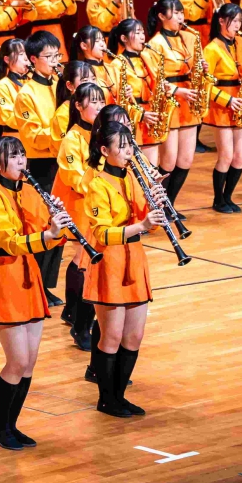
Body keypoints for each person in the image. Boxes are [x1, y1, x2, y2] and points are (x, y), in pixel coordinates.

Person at [0, 136, 71, 450]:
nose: (21, 161)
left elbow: (49, 237)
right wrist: (48, 234)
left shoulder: (30, 191)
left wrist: (57, 224)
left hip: (30, 274)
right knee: (16, 361)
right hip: (6, 275)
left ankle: (12, 426)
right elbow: (10, 242)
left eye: (22, 154)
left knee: (29, 362)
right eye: (13, 156)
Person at [83, 121, 167, 418]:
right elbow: (102, 233)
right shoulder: (97, 185)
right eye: (121, 147)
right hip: (110, 262)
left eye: (130, 145)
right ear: (105, 151)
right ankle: (106, 399)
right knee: (112, 336)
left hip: (135, 258)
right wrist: (141, 225)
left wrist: (155, 211)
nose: (128, 151)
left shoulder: (134, 177)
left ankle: (119, 396)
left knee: (134, 336)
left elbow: (149, 225)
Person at [142, 0, 208, 210]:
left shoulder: (190, 37)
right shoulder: (154, 44)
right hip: (169, 103)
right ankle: (160, 206)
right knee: (168, 162)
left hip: (189, 102)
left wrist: (202, 69)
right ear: (162, 16)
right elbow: (154, 80)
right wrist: (178, 91)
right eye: (176, 13)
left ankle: (171, 204)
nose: (181, 17)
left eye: (181, 12)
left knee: (186, 160)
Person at [54, 82, 106, 348]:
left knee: (82, 259)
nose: (99, 106)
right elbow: (75, 179)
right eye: (93, 101)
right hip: (79, 203)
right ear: (78, 106)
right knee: (83, 259)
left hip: (99, 203)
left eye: (101, 101)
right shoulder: (72, 139)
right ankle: (78, 319)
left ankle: (71, 311)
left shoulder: (101, 134)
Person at [14, 31, 64, 306]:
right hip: (42, 164)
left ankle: (46, 285)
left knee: (62, 224)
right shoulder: (26, 94)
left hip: (64, 160)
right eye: (49, 56)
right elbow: (33, 136)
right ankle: (34, 285)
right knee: (43, 225)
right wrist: (62, 133)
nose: (55, 61)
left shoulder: (61, 84)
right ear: (33, 59)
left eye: (57, 55)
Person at [203, 4, 242, 212]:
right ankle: (218, 200)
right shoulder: (212, 48)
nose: (237, 25)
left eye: (239, 21)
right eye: (233, 21)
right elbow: (205, 84)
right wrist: (227, 100)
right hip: (222, 106)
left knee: (239, 157)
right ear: (221, 21)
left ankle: (229, 197)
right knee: (225, 155)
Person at [107, 19, 158, 163]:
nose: (142, 36)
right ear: (124, 38)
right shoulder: (117, 64)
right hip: (133, 119)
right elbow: (118, 102)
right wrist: (141, 115)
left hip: (151, 118)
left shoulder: (146, 58)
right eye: (137, 33)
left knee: (153, 167)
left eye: (143, 32)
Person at [0, 38, 30, 147]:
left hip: (33, 135)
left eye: (27, 53)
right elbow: (9, 117)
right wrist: (32, 122)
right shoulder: (2, 86)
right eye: (21, 54)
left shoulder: (33, 80)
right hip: (14, 139)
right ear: (7, 59)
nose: (26, 58)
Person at [51, 61, 97, 155]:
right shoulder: (62, 115)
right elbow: (66, 150)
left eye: (93, 79)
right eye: (85, 80)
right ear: (70, 85)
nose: (92, 84)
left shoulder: (95, 106)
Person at [72, 26, 118, 102]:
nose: (102, 44)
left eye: (103, 40)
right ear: (84, 46)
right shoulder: (82, 72)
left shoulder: (112, 68)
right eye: (97, 41)